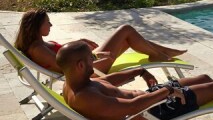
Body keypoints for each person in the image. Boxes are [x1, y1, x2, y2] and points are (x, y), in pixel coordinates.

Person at [55, 41, 213, 120]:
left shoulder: (74, 82)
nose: (95, 61)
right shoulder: (85, 96)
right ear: (80, 65)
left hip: (149, 99)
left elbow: (106, 82)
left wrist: (140, 71)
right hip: (153, 112)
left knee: (204, 78)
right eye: (91, 59)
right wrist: (167, 91)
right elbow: (132, 108)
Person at [15, 9, 187, 74]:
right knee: (126, 30)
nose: (51, 25)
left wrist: (78, 42)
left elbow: (62, 56)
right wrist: (94, 58)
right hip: (88, 71)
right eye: (47, 22)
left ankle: (162, 52)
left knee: (128, 37)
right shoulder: (37, 49)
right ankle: (160, 54)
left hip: (85, 62)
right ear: (37, 26)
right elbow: (65, 68)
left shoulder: (38, 44)